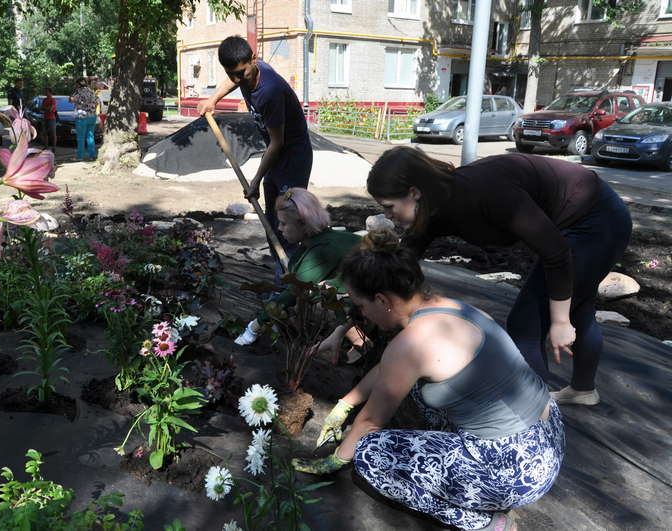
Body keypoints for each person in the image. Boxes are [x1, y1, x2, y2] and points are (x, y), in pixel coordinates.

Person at [292, 230, 564, 531]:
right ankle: (476, 480)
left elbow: (369, 422)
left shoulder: (411, 344)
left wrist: (336, 459)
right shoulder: (451, 308)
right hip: (547, 438)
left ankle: (486, 522)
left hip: (514, 471)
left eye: (361, 305)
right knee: (419, 389)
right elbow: (389, 369)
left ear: (382, 300)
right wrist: (346, 402)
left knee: (369, 454)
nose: (362, 314)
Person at [365, 147, 631, 406]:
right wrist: (369, 293)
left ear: (414, 193)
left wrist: (560, 321)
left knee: (526, 324)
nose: (387, 215)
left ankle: (536, 419)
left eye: (389, 206)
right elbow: (407, 258)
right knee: (578, 305)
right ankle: (583, 390)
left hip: (596, 221)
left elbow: (557, 254)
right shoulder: (436, 205)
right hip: (579, 220)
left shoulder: (486, 192)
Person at [197, 36, 313, 274]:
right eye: (231, 74)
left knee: (290, 225)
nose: (237, 80)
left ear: (254, 59)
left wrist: (255, 181)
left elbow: (277, 142)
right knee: (272, 222)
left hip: (293, 158)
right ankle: (283, 278)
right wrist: (212, 99)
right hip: (276, 156)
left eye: (241, 73)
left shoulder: (270, 91)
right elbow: (234, 80)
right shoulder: (245, 73)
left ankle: (295, 283)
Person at [234, 188, 361, 347]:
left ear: (303, 223)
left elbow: (292, 292)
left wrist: (253, 328)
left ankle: (360, 343)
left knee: (318, 297)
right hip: (364, 296)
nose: (279, 228)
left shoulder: (323, 249)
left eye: (284, 223)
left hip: (375, 300)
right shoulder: (317, 241)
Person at [69, 77, 99, 161]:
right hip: (92, 116)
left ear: (78, 84)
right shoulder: (91, 91)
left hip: (81, 117)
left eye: (76, 84)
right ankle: (92, 156)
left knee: (81, 138)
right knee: (90, 136)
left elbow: (71, 99)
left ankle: (80, 156)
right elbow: (97, 102)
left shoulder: (78, 92)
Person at [40, 87, 57, 153]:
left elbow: (51, 109)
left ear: (50, 92)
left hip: (52, 118)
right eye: (45, 92)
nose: (45, 93)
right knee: (45, 133)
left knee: (53, 133)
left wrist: (45, 109)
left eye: (47, 92)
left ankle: (54, 147)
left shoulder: (53, 100)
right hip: (45, 118)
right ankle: (46, 147)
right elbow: (42, 108)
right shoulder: (44, 100)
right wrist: (46, 108)